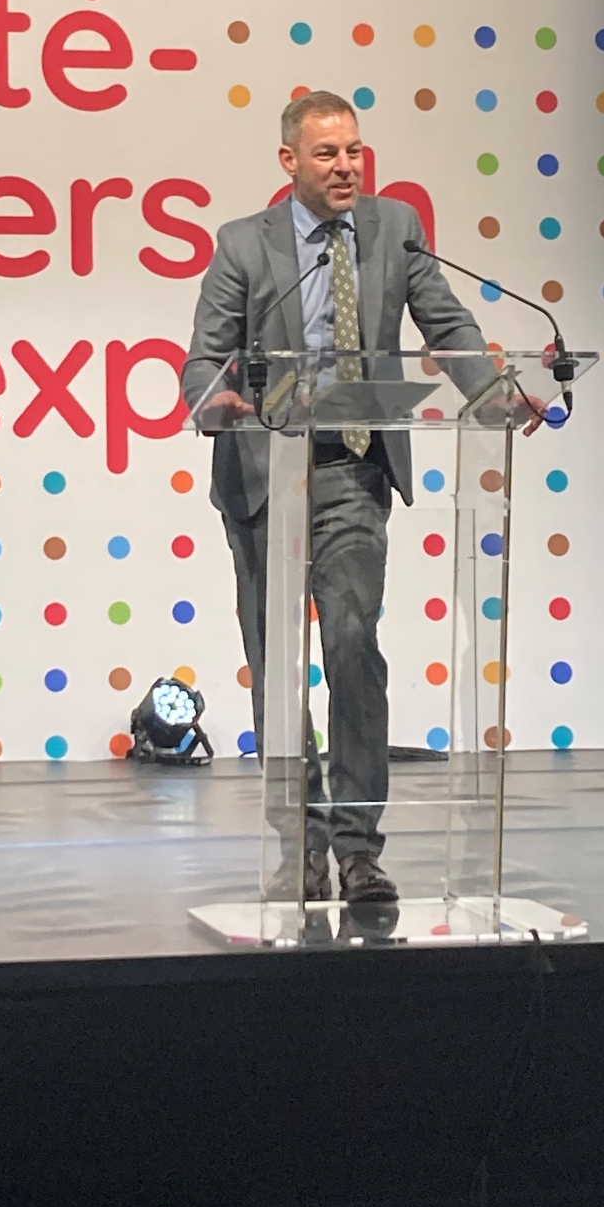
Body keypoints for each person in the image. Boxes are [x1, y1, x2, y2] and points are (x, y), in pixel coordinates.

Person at [182, 90, 536, 909]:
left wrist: (492, 394)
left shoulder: (394, 227)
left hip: (353, 466)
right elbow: (204, 357)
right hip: (264, 475)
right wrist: (214, 399)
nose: (345, 168)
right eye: (327, 154)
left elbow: (447, 326)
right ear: (290, 162)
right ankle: (300, 844)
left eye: (354, 152)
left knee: (350, 644)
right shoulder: (243, 244)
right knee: (279, 671)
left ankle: (359, 849)